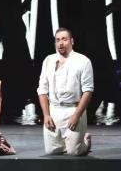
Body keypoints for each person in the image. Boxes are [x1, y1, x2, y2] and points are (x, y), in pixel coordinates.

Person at [37, 28, 93, 156]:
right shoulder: (49, 60)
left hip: (73, 109)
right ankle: (67, 141)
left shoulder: (83, 61)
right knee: (52, 151)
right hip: (54, 109)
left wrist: (77, 115)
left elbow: (88, 91)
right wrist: (46, 114)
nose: (60, 43)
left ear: (72, 41)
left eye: (64, 39)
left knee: (74, 151)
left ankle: (86, 141)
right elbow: (42, 90)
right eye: (57, 40)